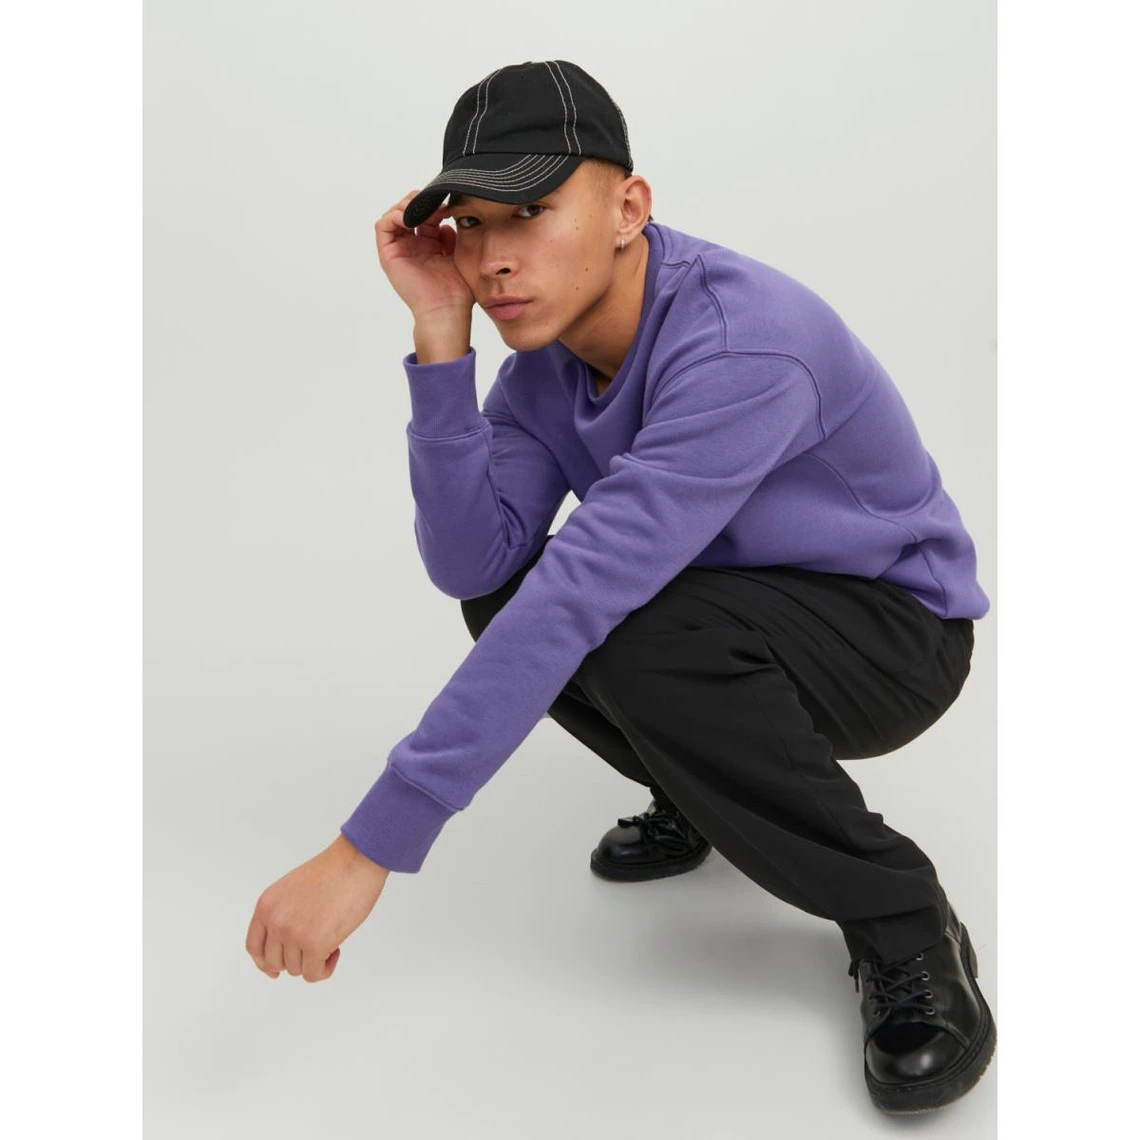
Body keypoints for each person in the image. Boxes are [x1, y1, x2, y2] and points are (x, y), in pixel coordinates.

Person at [246, 59, 995, 1115]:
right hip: (726, 608)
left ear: (629, 208)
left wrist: (368, 847)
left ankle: (904, 920)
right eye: (471, 225)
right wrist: (441, 342)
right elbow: (472, 564)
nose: (494, 259)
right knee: (510, 591)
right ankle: (706, 791)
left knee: (616, 624)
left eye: (531, 212)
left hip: (892, 633)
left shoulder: (741, 343)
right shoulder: (543, 367)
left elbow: (581, 596)